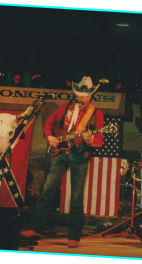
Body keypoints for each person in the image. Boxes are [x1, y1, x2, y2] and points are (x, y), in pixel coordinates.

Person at [21, 76, 104, 248]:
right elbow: (49, 123)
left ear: (90, 95)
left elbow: (99, 141)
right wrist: (50, 136)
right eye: (80, 95)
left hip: (80, 155)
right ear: (76, 94)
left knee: (76, 198)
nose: (83, 98)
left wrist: (89, 141)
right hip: (59, 154)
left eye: (86, 95)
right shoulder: (65, 107)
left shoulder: (96, 113)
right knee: (46, 191)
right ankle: (35, 228)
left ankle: (74, 236)